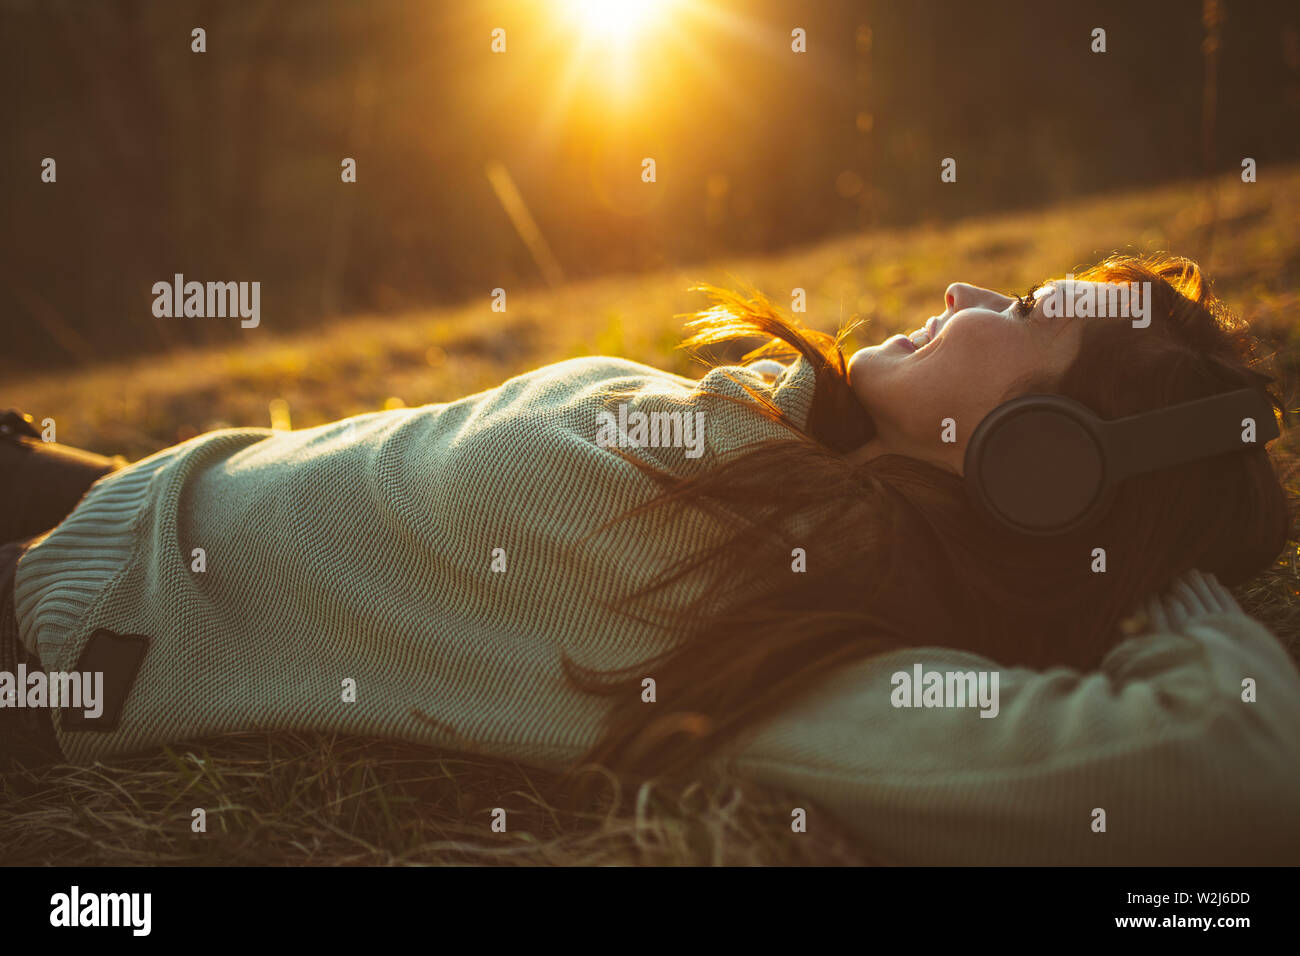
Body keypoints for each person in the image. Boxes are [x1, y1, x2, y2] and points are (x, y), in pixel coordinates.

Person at [3, 253, 1298, 864]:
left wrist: (1139, 551)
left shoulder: (774, 616)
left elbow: (1240, 767)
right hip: (129, 498)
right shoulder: (800, 453)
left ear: (1041, 460)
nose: (964, 291)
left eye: (1021, 315)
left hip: (54, 623)